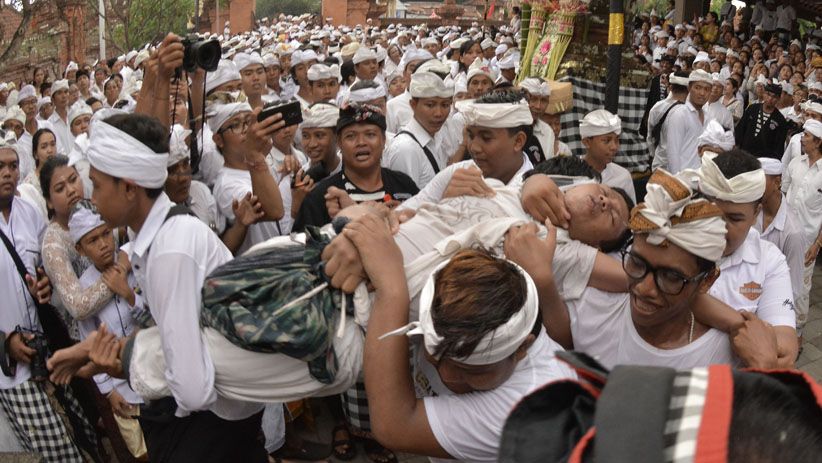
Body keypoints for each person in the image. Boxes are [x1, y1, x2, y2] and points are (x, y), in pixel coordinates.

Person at [85, 108, 280, 461]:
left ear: (128, 188)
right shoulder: (158, 237)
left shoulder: (171, 251)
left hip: (217, 420)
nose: (92, 198)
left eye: (97, 185)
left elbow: (192, 391)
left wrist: (129, 362)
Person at [0, 140, 99, 462]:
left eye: (13, 166)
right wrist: (5, 342)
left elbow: (39, 268)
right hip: (12, 372)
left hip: (48, 350)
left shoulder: (28, 212)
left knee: (82, 436)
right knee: (55, 453)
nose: (7, 173)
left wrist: (42, 283)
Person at [685, 150, 798, 365]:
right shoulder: (673, 241)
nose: (720, 228)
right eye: (711, 214)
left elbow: (784, 353)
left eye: (734, 219)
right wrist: (741, 325)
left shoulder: (769, 262)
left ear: (756, 213)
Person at [68, 200, 147, 460]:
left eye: (105, 234)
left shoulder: (132, 265)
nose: (103, 244)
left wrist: (128, 294)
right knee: (142, 453)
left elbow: (153, 316)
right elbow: (89, 343)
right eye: (93, 240)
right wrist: (109, 391)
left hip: (152, 368)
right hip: (122, 387)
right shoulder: (86, 289)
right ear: (80, 249)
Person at [399, 90, 535, 211]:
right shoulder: (458, 173)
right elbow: (405, 213)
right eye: (470, 136)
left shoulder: (532, 193)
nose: (474, 147)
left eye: (486, 138)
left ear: (518, 141)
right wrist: (444, 204)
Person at [294, 103, 418, 231]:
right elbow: (305, 243)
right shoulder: (322, 198)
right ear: (339, 143)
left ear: (383, 140)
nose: (361, 142)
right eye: (351, 136)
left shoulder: (404, 184)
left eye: (370, 134)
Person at [209, 98, 286, 255]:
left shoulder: (261, 163)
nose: (246, 130)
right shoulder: (227, 185)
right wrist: (255, 155)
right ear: (219, 140)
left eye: (249, 122)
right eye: (236, 125)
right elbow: (275, 211)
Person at [755, 157, 807, 338]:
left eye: (759, 181)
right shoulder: (751, 212)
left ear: (777, 182)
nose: (754, 186)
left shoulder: (793, 232)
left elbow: (793, 289)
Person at [782, 119, 822, 338]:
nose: (801, 138)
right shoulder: (795, 163)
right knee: (779, 280)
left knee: (801, 289)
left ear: (818, 141)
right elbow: (783, 194)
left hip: (808, 241)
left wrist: (818, 244)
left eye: (806, 135)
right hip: (785, 235)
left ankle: (797, 335)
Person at [384, 71, 454, 189]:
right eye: (430, 105)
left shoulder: (437, 137)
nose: (439, 113)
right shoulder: (405, 149)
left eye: (445, 105)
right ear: (413, 105)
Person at [579, 109, 636, 202]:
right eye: (606, 140)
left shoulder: (622, 176)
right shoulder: (570, 173)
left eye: (617, 140)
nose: (614, 147)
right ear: (587, 142)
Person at [662, 69, 713, 173]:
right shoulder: (680, 114)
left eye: (707, 89)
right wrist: (677, 179)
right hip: (683, 177)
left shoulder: (708, 117)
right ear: (689, 88)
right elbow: (673, 153)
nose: (702, 93)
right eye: (697, 87)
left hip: (700, 177)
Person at [735, 82, 790, 159]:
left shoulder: (780, 120)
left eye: (774, 97)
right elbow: (740, 129)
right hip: (743, 153)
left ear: (778, 99)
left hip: (763, 159)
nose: (770, 98)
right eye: (768, 94)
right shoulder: (752, 108)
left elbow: (778, 146)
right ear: (764, 94)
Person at [649, 71, 689, 171]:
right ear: (689, 89)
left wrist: (655, 155)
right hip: (683, 167)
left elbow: (650, 136)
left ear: (670, 87)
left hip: (660, 164)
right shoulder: (692, 112)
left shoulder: (657, 107)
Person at [518, 77, 555, 163]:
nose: (538, 106)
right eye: (533, 99)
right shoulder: (508, 126)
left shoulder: (547, 131)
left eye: (543, 100)